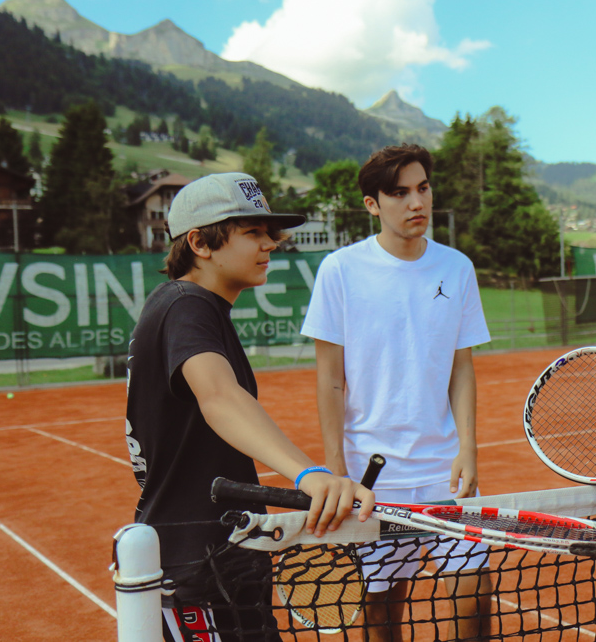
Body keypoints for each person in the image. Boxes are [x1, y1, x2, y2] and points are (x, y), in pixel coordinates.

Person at [125, 172, 375, 642]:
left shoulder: (191, 308)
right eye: (253, 232)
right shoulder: (187, 305)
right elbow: (219, 396)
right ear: (200, 242)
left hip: (219, 552)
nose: (271, 244)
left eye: (270, 233)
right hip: (201, 563)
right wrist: (309, 474)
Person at [301, 144, 493, 641]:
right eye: (400, 192)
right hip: (372, 476)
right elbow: (330, 379)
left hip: (443, 470)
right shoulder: (340, 271)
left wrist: (467, 449)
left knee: (474, 604)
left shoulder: (456, 268)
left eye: (423, 188)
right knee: (382, 615)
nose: (416, 202)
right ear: (372, 204)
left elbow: (462, 367)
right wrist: (336, 472)